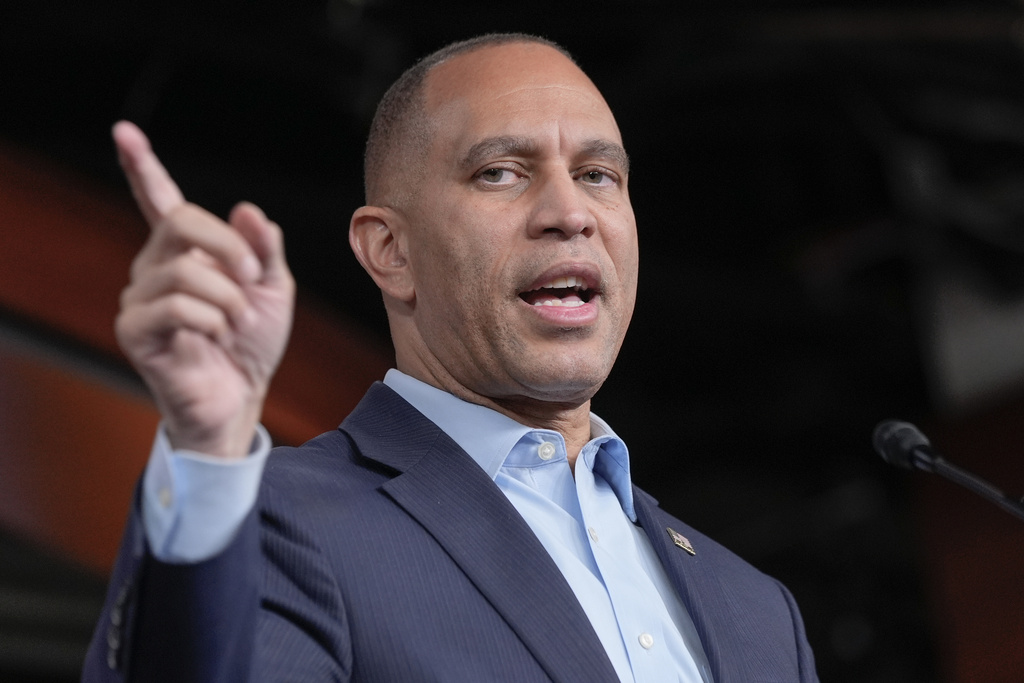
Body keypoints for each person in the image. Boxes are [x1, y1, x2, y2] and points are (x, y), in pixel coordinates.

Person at [83, 34, 818, 682]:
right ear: (390, 250)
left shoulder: (759, 611)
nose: (571, 211)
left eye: (599, 174)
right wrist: (208, 451)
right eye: (501, 171)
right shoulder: (282, 520)